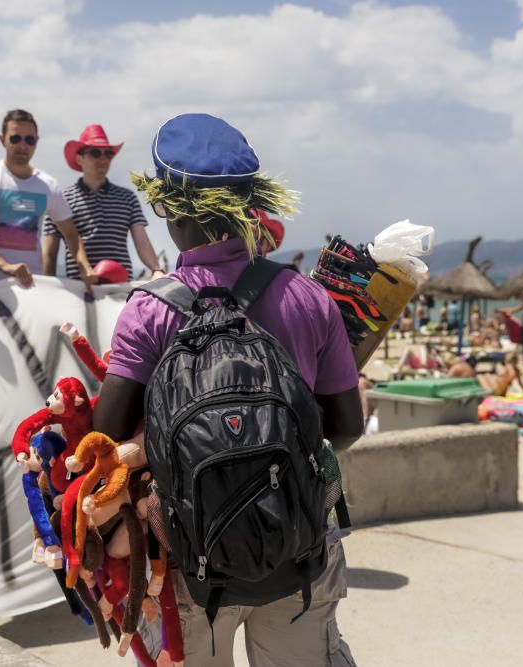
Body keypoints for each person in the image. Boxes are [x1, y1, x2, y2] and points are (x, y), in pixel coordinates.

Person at [92, 113, 362, 666]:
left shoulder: (149, 309)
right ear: (249, 205)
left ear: (166, 207)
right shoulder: (307, 297)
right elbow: (347, 427)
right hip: (297, 547)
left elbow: (104, 439)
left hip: (190, 559)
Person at [0, 109, 95, 289]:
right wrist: (6, 267)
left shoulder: (48, 185)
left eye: (29, 140)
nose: (23, 145)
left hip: (31, 287)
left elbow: (71, 233)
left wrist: (84, 266)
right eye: (15, 138)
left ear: (36, 142)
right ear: (2, 140)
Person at [42, 124, 162, 281]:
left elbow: (142, 241)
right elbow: (49, 254)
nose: (103, 159)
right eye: (95, 153)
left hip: (120, 289)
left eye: (108, 154)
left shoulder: (127, 198)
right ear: (79, 158)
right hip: (78, 290)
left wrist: (156, 270)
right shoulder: (61, 200)